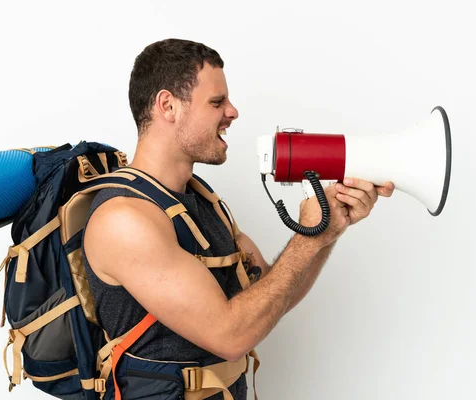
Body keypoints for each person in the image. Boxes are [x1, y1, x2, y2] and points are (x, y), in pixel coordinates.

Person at [82, 38, 395, 400]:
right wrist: (306, 239)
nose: (233, 112)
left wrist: (326, 230)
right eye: (217, 102)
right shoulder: (124, 219)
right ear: (168, 105)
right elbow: (231, 336)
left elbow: (273, 297)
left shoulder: (200, 202)